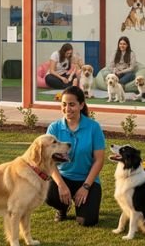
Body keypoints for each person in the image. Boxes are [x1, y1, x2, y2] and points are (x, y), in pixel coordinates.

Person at [45, 86, 105, 227]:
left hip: (87, 180)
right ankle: (62, 207)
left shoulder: (93, 127)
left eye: (72, 104)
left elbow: (99, 160)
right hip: (63, 177)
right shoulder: (54, 128)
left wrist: (85, 187)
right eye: (64, 104)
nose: (67, 109)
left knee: (87, 221)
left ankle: (81, 205)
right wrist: (61, 185)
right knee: (47, 193)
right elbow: (49, 160)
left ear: (81, 105)